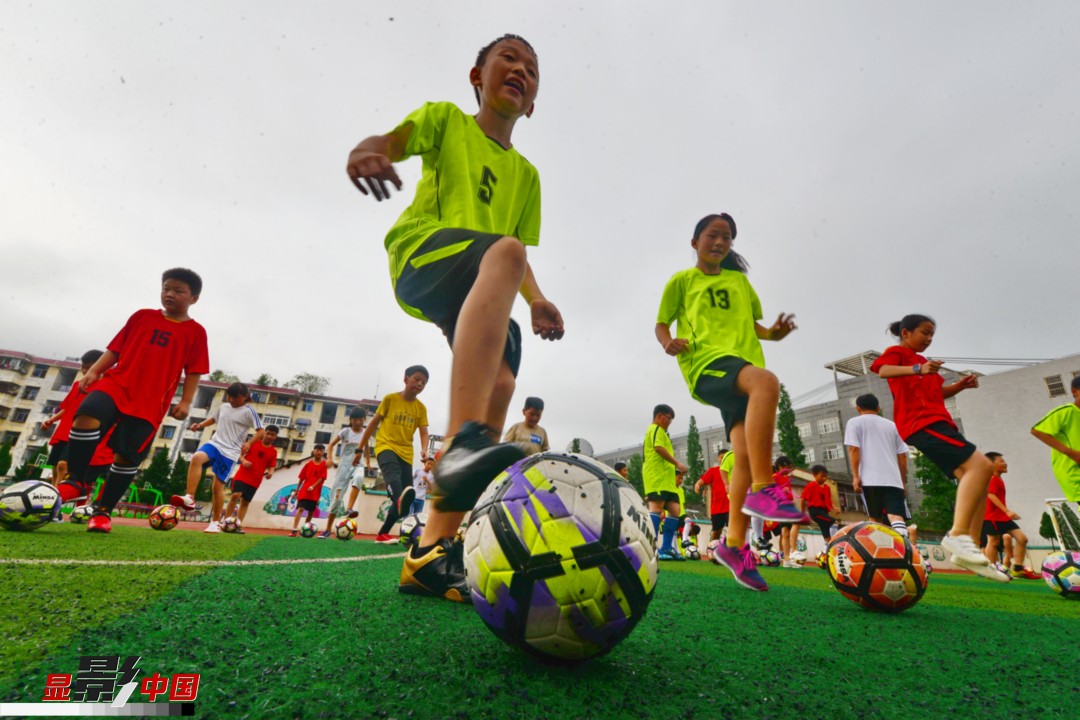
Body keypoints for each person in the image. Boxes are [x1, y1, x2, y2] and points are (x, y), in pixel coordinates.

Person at [345, 34, 563, 602]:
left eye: (531, 69)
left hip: (481, 279)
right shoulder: (446, 121)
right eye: (507, 60)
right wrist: (367, 151)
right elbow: (390, 140)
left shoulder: (528, 176)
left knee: (504, 381)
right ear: (477, 77)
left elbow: (514, 250)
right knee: (506, 253)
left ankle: (431, 552)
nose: (520, 70)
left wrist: (535, 298)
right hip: (424, 255)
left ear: (534, 101)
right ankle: (462, 444)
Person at [656, 213, 806, 591]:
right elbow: (661, 322)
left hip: (742, 369)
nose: (720, 242)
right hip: (706, 363)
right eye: (713, 235)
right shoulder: (682, 281)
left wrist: (774, 333)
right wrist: (667, 343)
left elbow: (753, 326)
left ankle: (735, 545)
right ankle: (764, 489)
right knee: (768, 383)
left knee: (741, 452)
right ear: (695, 242)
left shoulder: (739, 282)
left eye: (727, 237)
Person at [64, 268, 209, 534]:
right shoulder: (142, 317)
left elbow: (195, 370)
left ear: (194, 298)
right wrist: (95, 370)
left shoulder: (196, 332)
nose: (170, 294)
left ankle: (103, 512)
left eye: (178, 290)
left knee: (126, 456)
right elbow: (115, 349)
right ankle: (76, 481)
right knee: (86, 415)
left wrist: (186, 401)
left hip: (151, 400)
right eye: (166, 288)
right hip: (117, 383)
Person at [870, 314, 1006, 581]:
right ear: (906, 333)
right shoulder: (898, 353)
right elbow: (882, 370)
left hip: (938, 422)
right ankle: (957, 536)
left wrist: (960, 386)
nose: (929, 338)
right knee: (982, 466)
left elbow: (936, 393)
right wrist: (917, 370)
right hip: (922, 423)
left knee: (977, 479)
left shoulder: (924, 363)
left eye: (932, 334)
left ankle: (970, 550)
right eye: (925, 332)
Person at [172, 382, 264, 533]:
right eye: (229, 396)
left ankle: (215, 522)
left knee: (217, 487)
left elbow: (261, 431)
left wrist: (249, 443)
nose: (231, 399)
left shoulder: (249, 411)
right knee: (197, 457)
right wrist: (200, 425)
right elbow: (214, 419)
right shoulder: (224, 407)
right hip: (215, 444)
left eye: (234, 397)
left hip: (230, 452)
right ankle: (189, 497)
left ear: (243, 397)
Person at [354, 366, 430, 544]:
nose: (420, 384)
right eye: (417, 379)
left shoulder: (420, 408)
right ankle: (397, 498)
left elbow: (424, 432)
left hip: (406, 452)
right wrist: (359, 449)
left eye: (424, 383)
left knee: (405, 500)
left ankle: (382, 534)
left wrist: (425, 449)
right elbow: (372, 424)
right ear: (406, 379)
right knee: (394, 480)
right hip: (385, 446)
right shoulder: (390, 399)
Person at [41, 350, 112, 503]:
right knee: (55, 468)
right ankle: (52, 499)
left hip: (80, 433)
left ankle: (55, 503)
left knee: (64, 466)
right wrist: (51, 420)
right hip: (63, 431)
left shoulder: (105, 387)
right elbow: (67, 407)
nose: (86, 371)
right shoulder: (77, 386)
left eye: (89, 367)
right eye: (83, 367)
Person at [843, 393, 915, 541]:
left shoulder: (854, 423)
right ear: (878, 407)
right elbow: (902, 456)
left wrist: (856, 476)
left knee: (874, 519)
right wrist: (902, 481)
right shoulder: (892, 425)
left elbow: (854, 449)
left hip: (869, 480)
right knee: (896, 516)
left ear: (858, 408)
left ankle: (879, 557)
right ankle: (904, 551)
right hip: (893, 480)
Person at [982, 452, 1039, 579]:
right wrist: (1007, 510)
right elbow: (990, 495)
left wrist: (1006, 513)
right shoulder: (992, 478)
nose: (1005, 463)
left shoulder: (998, 479)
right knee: (993, 542)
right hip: (992, 517)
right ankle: (990, 571)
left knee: (1022, 538)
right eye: (1001, 461)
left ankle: (1018, 568)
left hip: (1002, 517)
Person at [642, 404, 688, 561]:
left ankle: (667, 548)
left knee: (675, 510)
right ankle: (652, 548)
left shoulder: (663, 432)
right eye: (668, 418)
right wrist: (678, 464)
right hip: (656, 477)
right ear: (659, 416)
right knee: (656, 508)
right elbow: (658, 449)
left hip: (668, 481)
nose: (669, 422)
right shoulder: (655, 429)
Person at [1031, 375, 1080, 506]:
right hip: (1074, 473)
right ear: (1075, 391)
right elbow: (1037, 430)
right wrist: (1072, 453)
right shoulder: (1066, 412)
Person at [319, 407, 367, 539]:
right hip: (344, 466)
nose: (357, 422)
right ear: (350, 420)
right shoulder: (345, 432)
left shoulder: (365, 433)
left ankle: (349, 509)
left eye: (360, 419)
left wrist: (368, 463)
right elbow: (331, 445)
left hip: (358, 464)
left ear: (364, 420)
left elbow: (367, 448)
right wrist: (329, 458)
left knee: (359, 477)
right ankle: (328, 529)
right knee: (336, 499)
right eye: (354, 419)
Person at [223, 425, 279, 528]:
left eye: (272, 434)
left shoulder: (273, 451)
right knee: (236, 495)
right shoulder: (253, 443)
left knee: (245, 502)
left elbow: (272, 465)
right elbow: (239, 454)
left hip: (255, 480)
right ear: (264, 433)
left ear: (275, 437)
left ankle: (237, 525)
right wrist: (244, 461)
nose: (269, 436)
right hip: (242, 475)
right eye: (268, 433)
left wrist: (271, 472)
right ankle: (226, 522)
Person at [290, 444, 328, 537]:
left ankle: (305, 530)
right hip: (304, 491)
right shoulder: (308, 464)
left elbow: (322, 478)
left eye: (321, 450)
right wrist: (296, 490)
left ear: (323, 453)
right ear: (313, 451)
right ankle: (294, 530)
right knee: (301, 509)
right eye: (317, 450)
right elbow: (301, 478)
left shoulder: (324, 465)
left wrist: (313, 486)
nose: (319, 452)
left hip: (315, 493)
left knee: (311, 512)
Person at [771, 457, 801, 569]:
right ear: (780, 467)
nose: (789, 470)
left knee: (785, 533)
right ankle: (792, 552)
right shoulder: (774, 477)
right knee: (788, 530)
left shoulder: (786, 478)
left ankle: (787, 559)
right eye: (787, 467)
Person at [695, 449, 731, 541]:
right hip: (717, 508)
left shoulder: (733, 471)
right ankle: (711, 548)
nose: (723, 459)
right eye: (721, 457)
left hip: (731, 507)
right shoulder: (713, 471)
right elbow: (702, 480)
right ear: (718, 459)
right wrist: (697, 484)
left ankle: (733, 551)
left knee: (733, 531)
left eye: (725, 457)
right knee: (717, 531)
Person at [800, 465, 836, 542]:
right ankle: (836, 540)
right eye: (822, 476)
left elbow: (829, 500)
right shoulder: (811, 485)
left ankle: (827, 545)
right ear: (815, 475)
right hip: (815, 511)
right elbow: (803, 499)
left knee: (825, 529)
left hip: (824, 511)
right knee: (833, 521)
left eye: (825, 476)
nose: (824, 478)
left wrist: (835, 508)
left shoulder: (827, 488)